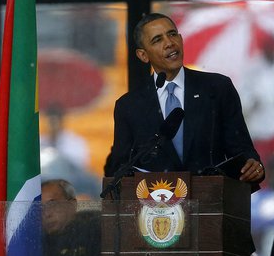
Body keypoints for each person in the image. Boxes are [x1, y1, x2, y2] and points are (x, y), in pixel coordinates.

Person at [105, 13, 265, 188]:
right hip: (156, 210)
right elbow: (119, 168)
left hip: (211, 203)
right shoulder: (129, 106)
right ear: (143, 55)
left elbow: (242, 150)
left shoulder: (217, 88)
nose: (169, 43)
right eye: (158, 40)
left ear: (181, 39)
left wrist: (253, 166)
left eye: (172, 34)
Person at [42, 179, 101, 256]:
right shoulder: (36, 242)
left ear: (72, 204)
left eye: (52, 204)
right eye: (40, 208)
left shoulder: (95, 231)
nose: (46, 214)